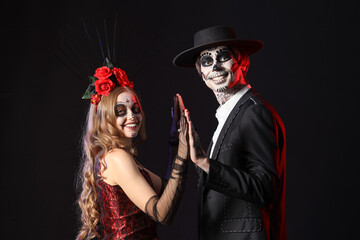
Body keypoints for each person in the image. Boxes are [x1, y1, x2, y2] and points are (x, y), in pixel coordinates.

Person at [173, 26, 286, 240]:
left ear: (241, 61)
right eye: (206, 61)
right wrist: (199, 158)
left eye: (223, 56)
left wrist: (205, 161)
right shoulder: (230, 115)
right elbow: (228, 183)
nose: (215, 66)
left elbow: (264, 189)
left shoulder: (254, 113)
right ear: (201, 72)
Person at [76, 58, 189, 240]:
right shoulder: (116, 157)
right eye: (121, 111)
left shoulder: (118, 157)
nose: (132, 116)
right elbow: (162, 215)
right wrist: (182, 152)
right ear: (106, 118)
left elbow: (170, 192)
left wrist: (175, 138)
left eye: (135, 109)